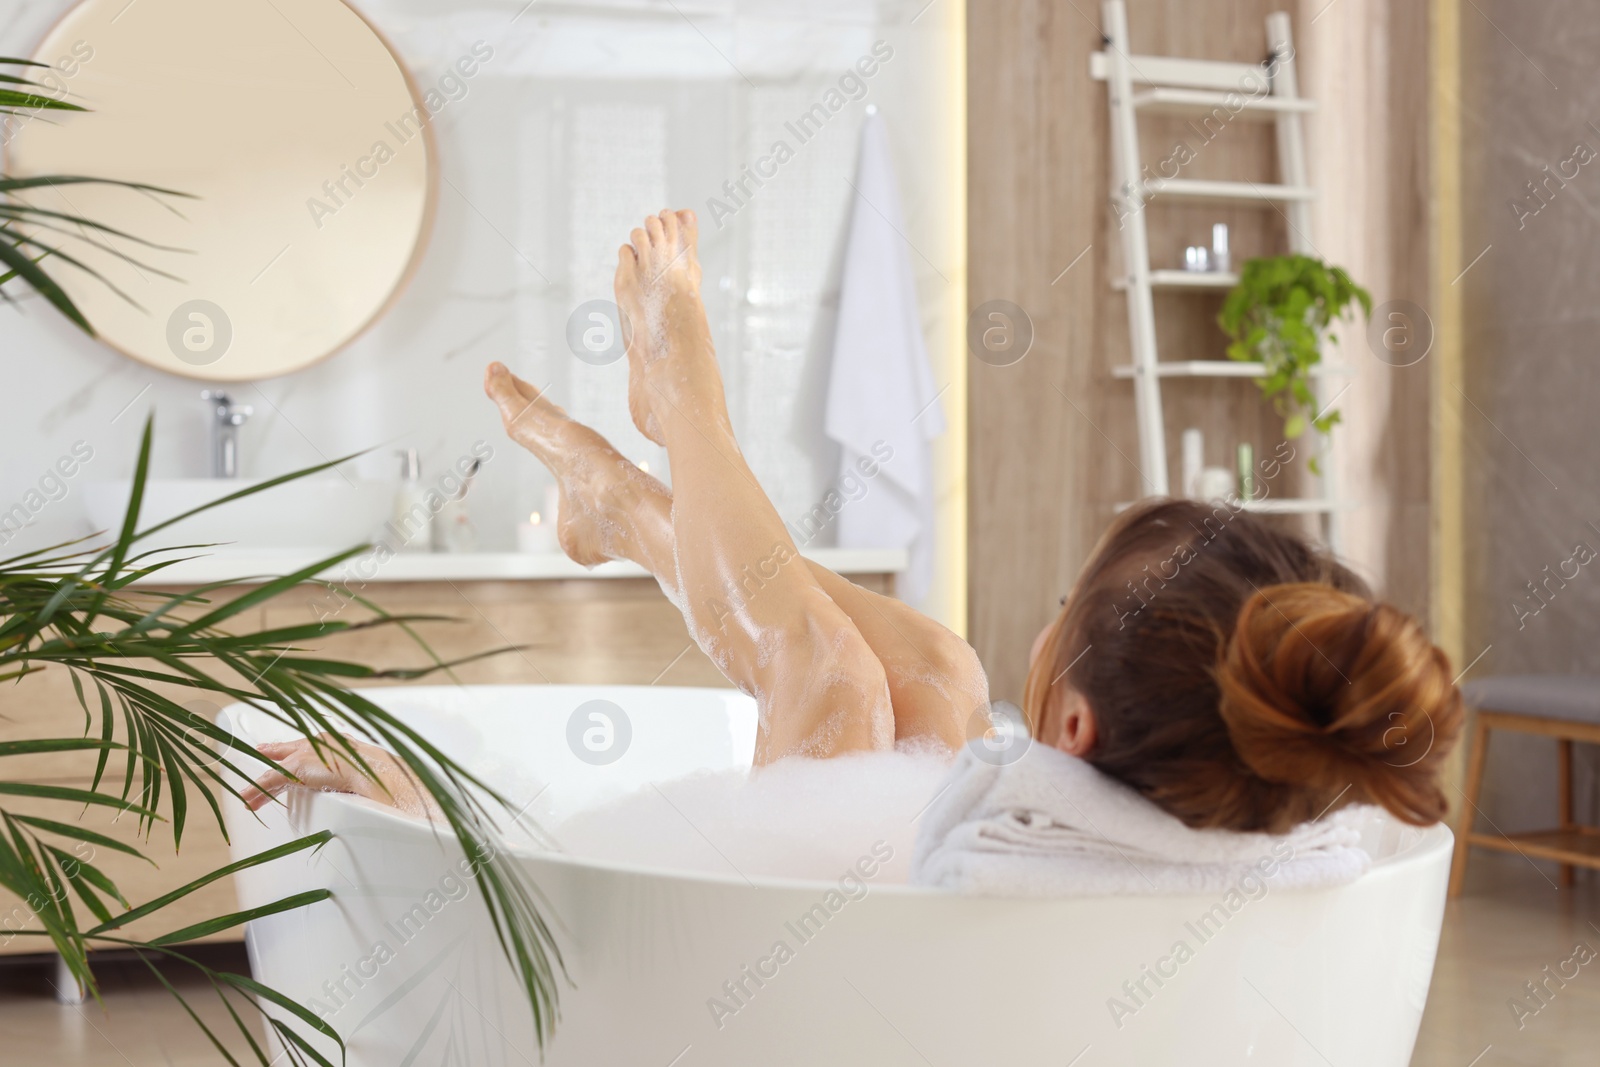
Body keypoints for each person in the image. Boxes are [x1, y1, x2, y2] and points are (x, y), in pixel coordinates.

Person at [246, 210, 1461, 837]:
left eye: (1060, 619)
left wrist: (395, 783)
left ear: (1078, 721)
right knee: (938, 664)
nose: (1038, 630)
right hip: (874, 914)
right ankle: (627, 501)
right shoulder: (1231, 800)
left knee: (825, 668)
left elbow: (564, 866)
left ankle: (682, 410)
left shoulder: (1018, 849)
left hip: (766, 977)